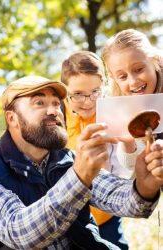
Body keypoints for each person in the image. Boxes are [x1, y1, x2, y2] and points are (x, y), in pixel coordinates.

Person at [0, 75, 163, 250]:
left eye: (57, 103)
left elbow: (125, 201)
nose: (54, 110)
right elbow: (18, 233)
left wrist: (144, 186)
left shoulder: (67, 158)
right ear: (12, 118)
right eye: (39, 103)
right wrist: (79, 177)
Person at [61, 51, 128, 249]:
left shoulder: (114, 113)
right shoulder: (58, 116)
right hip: (71, 216)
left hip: (107, 213)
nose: (88, 101)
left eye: (95, 92)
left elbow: (124, 164)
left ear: (105, 85)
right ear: (65, 92)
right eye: (78, 95)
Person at [102, 28, 163, 174]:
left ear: (154, 61)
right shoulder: (122, 107)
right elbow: (131, 165)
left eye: (139, 69)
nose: (133, 82)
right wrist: (128, 143)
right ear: (114, 78)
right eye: (123, 77)